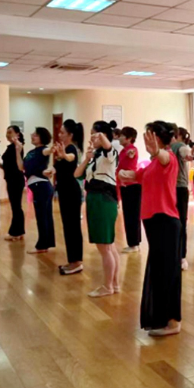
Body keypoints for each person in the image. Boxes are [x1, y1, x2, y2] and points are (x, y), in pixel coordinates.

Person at [119, 121, 181, 337]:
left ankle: (173, 321)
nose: (146, 140)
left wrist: (157, 151)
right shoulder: (153, 163)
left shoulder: (167, 157)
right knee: (159, 271)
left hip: (166, 221)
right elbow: (141, 176)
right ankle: (162, 318)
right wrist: (128, 175)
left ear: (159, 138)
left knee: (168, 272)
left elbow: (164, 158)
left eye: (150, 136)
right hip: (154, 223)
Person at [75, 121, 121, 298]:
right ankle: (114, 284)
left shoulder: (111, 153)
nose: (91, 139)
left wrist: (101, 136)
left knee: (105, 247)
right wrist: (87, 158)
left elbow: (108, 146)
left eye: (94, 134)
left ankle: (107, 286)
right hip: (95, 199)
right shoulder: (95, 156)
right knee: (109, 246)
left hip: (104, 199)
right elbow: (77, 174)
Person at [14, 127, 55, 255]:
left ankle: (42, 245)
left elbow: (48, 150)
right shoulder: (31, 152)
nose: (32, 135)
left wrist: (54, 149)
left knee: (42, 216)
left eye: (36, 135)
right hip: (39, 186)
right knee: (44, 216)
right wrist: (18, 151)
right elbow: (21, 167)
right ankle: (46, 243)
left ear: (42, 137)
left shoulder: (43, 150)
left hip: (42, 186)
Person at [52, 119, 85, 275]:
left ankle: (77, 262)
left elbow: (71, 157)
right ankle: (72, 260)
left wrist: (64, 155)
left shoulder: (72, 149)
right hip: (65, 192)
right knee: (68, 227)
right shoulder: (65, 148)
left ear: (70, 135)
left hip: (71, 192)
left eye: (62, 132)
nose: (60, 135)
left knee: (73, 227)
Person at [171, 126, 192, 270]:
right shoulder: (168, 148)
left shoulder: (180, 146)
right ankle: (175, 255)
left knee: (181, 222)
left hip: (179, 188)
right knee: (173, 222)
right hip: (171, 188)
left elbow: (186, 153)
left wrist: (190, 155)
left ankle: (182, 256)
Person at [118, 126, 142, 253]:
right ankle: (133, 243)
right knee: (128, 215)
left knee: (133, 215)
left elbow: (132, 154)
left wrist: (131, 154)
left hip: (133, 186)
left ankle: (134, 244)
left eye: (122, 135)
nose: (120, 138)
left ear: (129, 138)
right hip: (125, 186)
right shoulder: (122, 151)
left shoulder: (132, 149)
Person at [0, 126, 25, 242]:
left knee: (16, 207)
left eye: (10, 132)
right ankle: (19, 231)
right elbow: (9, 165)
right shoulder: (11, 147)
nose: (8, 134)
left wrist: (17, 146)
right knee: (16, 206)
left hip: (16, 179)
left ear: (17, 134)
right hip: (11, 179)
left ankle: (16, 232)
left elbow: (18, 165)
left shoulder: (17, 146)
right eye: (7, 132)